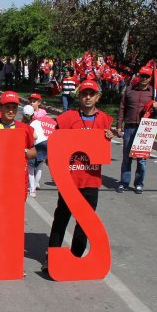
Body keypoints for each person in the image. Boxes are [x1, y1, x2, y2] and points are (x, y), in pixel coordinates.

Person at [43, 80, 114, 271]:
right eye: (84, 94)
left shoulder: (104, 120)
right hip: (70, 180)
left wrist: (108, 136)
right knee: (61, 220)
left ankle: (75, 258)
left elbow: (105, 143)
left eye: (92, 94)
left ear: (98, 96)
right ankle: (52, 257)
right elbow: (54, 141)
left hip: (91, 179)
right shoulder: (68, 118)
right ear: (79, 96)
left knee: (85, 223)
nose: (88, 97)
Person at [0, 91, 36, 277]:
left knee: (15, 225)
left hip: (18, 184)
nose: (10, 110)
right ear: (0, 108)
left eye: (13, 107)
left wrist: (26, 151)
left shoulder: (24, 129)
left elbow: (34, 152)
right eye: (7, 107)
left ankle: (14, 261)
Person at [116, 66, 157, 194]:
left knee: (141, 159)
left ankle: (139, 183)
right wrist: (119, 126)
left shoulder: (154, 93)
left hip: (144, 129)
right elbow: (122, 109)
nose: (144, 79)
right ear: (139, 76)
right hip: (129, 126)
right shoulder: (129, 90)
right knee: (127, 158)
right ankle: (124, 182)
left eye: (147, 77)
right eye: (142, 76)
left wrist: (156, 107)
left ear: (150, 78)